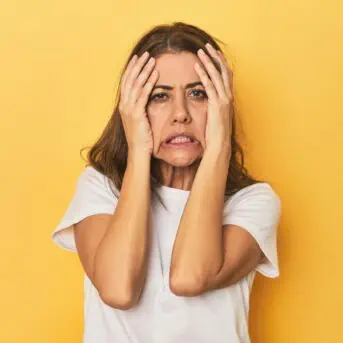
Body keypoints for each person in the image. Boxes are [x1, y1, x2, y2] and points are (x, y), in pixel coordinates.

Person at [52, 21, 281, 343]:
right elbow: (118, 290)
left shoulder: (253, 201)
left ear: (222, 106)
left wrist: (219, 146)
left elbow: (190, 278)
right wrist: (138, 151)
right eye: (160, 96)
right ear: (133, 109)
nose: (180, 114)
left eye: (198, 94)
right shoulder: (100, 188)